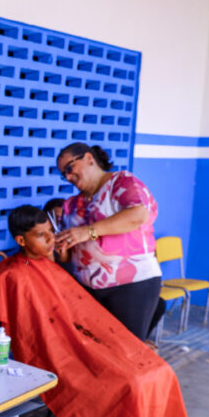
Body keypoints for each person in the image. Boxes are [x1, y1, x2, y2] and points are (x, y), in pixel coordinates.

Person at [0, 206, 188, 417]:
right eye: (41, 236)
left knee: (154, 367)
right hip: (49, 356)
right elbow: (23, 335)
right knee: (125, 384)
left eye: (51, 233)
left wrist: (115, 345)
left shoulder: (49, 268)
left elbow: (81, 317)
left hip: (79, 343)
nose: (51, 241)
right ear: (21, 241)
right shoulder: (9, 276)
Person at [54, 143, 163, 340]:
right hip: (89, 289)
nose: (68, 177)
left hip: (131, 286)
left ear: (88, 158)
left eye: (69, 169)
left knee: (125, 350)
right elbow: (69, 256)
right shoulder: (71, 204)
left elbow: (138, 215)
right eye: (64, 175)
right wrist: (62, 247)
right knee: (96, 352)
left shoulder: (122, 183)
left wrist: (88, 232)